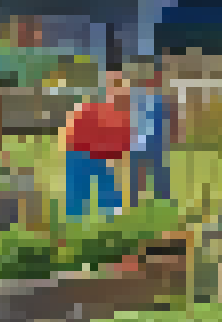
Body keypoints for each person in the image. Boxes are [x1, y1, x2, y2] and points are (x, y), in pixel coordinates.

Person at [61, 70, 131, 218]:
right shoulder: (94, 108)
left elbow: (122, 141)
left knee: (106, 185)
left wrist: (114, 156)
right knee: (78, 188)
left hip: (99, 156)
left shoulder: (122, 115)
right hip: (79, 152)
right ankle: (76, 217)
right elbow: (73, 126)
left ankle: (112, 214)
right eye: (116, 88)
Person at [129, 63, 178, 207]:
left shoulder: (164, 99)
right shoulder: (136, 97)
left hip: (157, 142)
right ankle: (134, 201)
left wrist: (172, 136)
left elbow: (171, 120)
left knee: (159, 171)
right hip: (138, 141)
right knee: (137, 173)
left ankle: (163, 199)